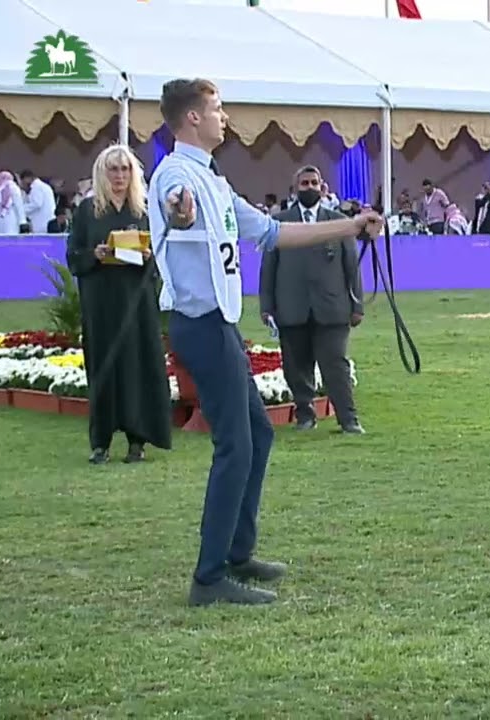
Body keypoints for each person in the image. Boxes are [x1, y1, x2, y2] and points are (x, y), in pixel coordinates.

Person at [148, 78, 384, 607]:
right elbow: (173, 207)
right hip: (201, 323)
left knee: (257, 434)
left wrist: (350, 226)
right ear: (191, 118)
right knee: (235, 444)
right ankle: (208, 578)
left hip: (219, 324)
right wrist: (179, 211)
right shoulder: (178, 175)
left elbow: (274, 234)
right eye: (216, 109)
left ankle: (236, 553)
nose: (223, 117)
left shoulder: (213, 180)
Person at [65, 144, 173, 465]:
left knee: (137, 366)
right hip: (100, 303)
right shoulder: (87, 212)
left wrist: (149, 256)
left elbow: (160, 260)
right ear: (102, 173)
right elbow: (73, 257)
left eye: (125, 170)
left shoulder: (142, 212)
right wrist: (94, 255)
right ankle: (100, 442)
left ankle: (137, 441)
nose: (119, 176)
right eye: (113, 169)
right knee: (103, 367)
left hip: (136, 303)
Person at [259, 164, 366, 434]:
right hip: (291, 307)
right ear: (295, 188)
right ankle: (305, 417)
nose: (309, 188)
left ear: (322, 187)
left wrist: (357, 305)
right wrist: (266, 305)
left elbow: (352, 268)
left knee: (335, 365)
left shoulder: (338, 221)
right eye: (304, 183)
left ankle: (348, 420)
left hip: (332, 308)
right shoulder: (279, 223)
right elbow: (268, 268)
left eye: (314, 183)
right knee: (296, 367)